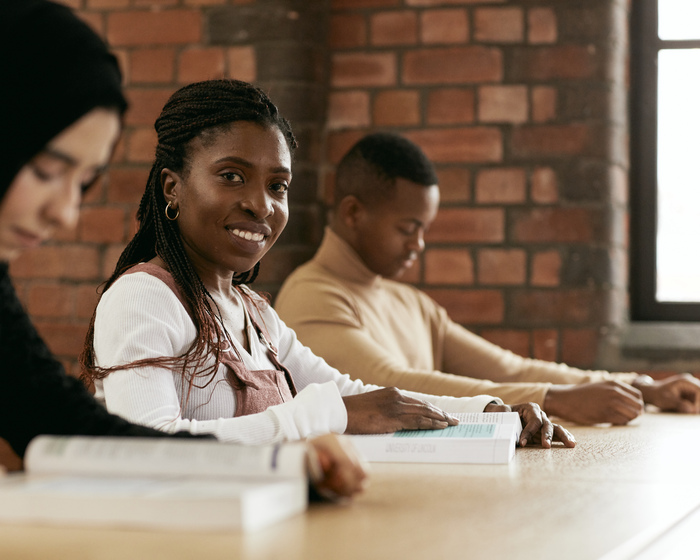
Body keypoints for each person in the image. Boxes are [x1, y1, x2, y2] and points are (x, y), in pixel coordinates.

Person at [0, 0, 367, 500]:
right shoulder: (146, 295)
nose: (64, 212)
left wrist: (276, 461)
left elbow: (63, 423)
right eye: (46, 171)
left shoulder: (254, 310)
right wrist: (306, 425)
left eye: (83, 181)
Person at [80, 79, 575, 449]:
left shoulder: (253, 312)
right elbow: (146, 446)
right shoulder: (144, 297)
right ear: (172, 187)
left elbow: (357, 396)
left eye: (278, 186)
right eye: (232, 176)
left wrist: (490, 413)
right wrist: (328, 414)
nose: (261, 204)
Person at [275, 132, 700, 425]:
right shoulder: (311, 296)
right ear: (352, 213)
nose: (419, 245)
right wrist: (554, 401)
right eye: (408, 229)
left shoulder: (411, 303)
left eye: (425, 229)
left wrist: (643, 388)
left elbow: (511, 369)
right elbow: (393, 386)